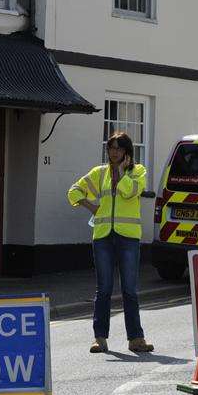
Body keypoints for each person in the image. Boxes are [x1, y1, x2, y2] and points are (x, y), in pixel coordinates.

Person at [67, 131, 154, 354]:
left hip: (128, 237)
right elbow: (73, 192)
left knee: (130, 290)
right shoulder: (99, 173)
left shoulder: (138, 172)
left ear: (127, 151)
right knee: (103, 289)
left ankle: (136, 339)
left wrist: (122, 172)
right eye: (111, 148)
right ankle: (100, 338)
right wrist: (91, 206)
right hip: (103, 236)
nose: (114, 152)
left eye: (118, 148)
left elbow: (130, 193)